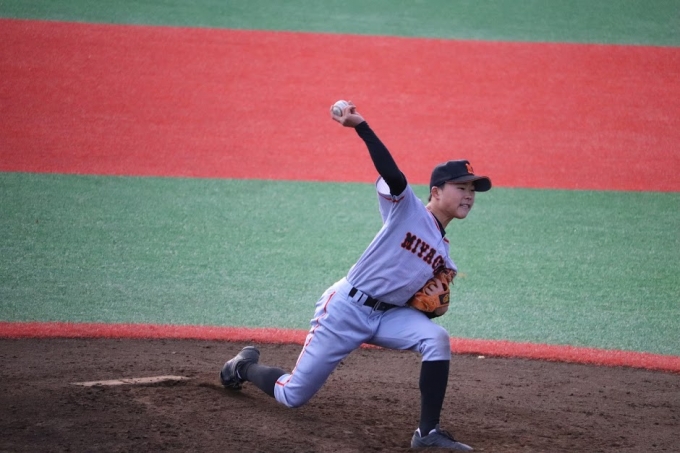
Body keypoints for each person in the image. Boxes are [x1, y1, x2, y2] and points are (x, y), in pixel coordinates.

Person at [219, 101, 491, 450]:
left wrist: (430, 309)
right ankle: (243, 367)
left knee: (436, 339)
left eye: (472, 190)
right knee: (293, 395)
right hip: (345, 309)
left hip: (387, 316)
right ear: (436, 192)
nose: (469, 195)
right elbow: (394, 176)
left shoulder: (444, 254)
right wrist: (362, 127)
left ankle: (427, 434)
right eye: (461, 187)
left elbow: (418, 301)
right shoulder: (408, 209)